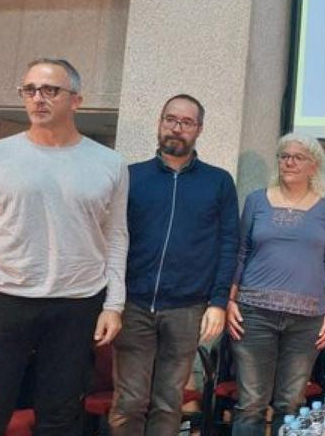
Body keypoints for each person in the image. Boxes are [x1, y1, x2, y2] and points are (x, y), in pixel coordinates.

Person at [0, 58, 128, 434]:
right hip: (1, 298)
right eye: (30, 90)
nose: (38, 98)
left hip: (76, 303)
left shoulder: (109, 163)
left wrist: (114, 304)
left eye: (50, 90)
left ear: (76, 100)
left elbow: (117, 237)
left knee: (60, 416)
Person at [109, 94, 240, 436]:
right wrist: (111, 299)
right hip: (133, 304)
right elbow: (112, 239)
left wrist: (218, 302)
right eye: (170, 119)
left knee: (169, 401)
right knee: (129, 401)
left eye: (186, 123)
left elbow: (229, 245)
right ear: (159, 122)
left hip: (187, 308)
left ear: (199, 130)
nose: (176, 128)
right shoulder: (131, 176)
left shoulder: (219, 181)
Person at [226, 133, 325, 436]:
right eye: (284, 156)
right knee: (250, 403)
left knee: (290, 405)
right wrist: (229, 301)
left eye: (297, 157)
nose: (289, 162)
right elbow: (240, 253)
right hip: (253, 315)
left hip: (308, 320)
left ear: (313, 166)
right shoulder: (256, 200)